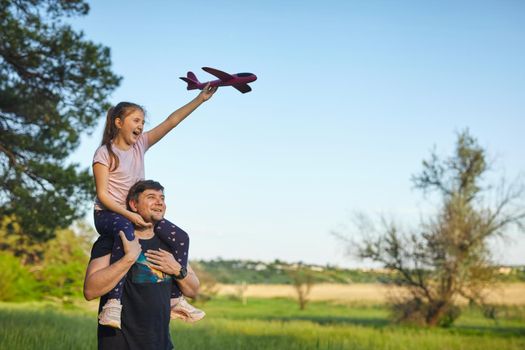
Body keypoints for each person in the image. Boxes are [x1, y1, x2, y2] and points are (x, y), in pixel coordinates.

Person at [92, 84, 217, 329]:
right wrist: (128, 214)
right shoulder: (105, 153)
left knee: (180, 236)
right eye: (136, 120)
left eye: (142, 121)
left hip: (134, 212)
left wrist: (200, 99)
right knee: (125, 230)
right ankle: (113, 304)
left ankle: (175, 299)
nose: (140, 126)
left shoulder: (141, 144)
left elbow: (172, 121)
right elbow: (102, 195)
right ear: (118, 122)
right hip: (108, 214)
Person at [84, 180, 200, 350]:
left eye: (162, 198)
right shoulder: (112, 241)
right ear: (133, 205)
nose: (159, 202)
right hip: (118, 344)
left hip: (161, 344)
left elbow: (193, 290)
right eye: (151, 197)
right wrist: (128, 258)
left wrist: (177, 270)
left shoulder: (169, 244)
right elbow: (90, 290)